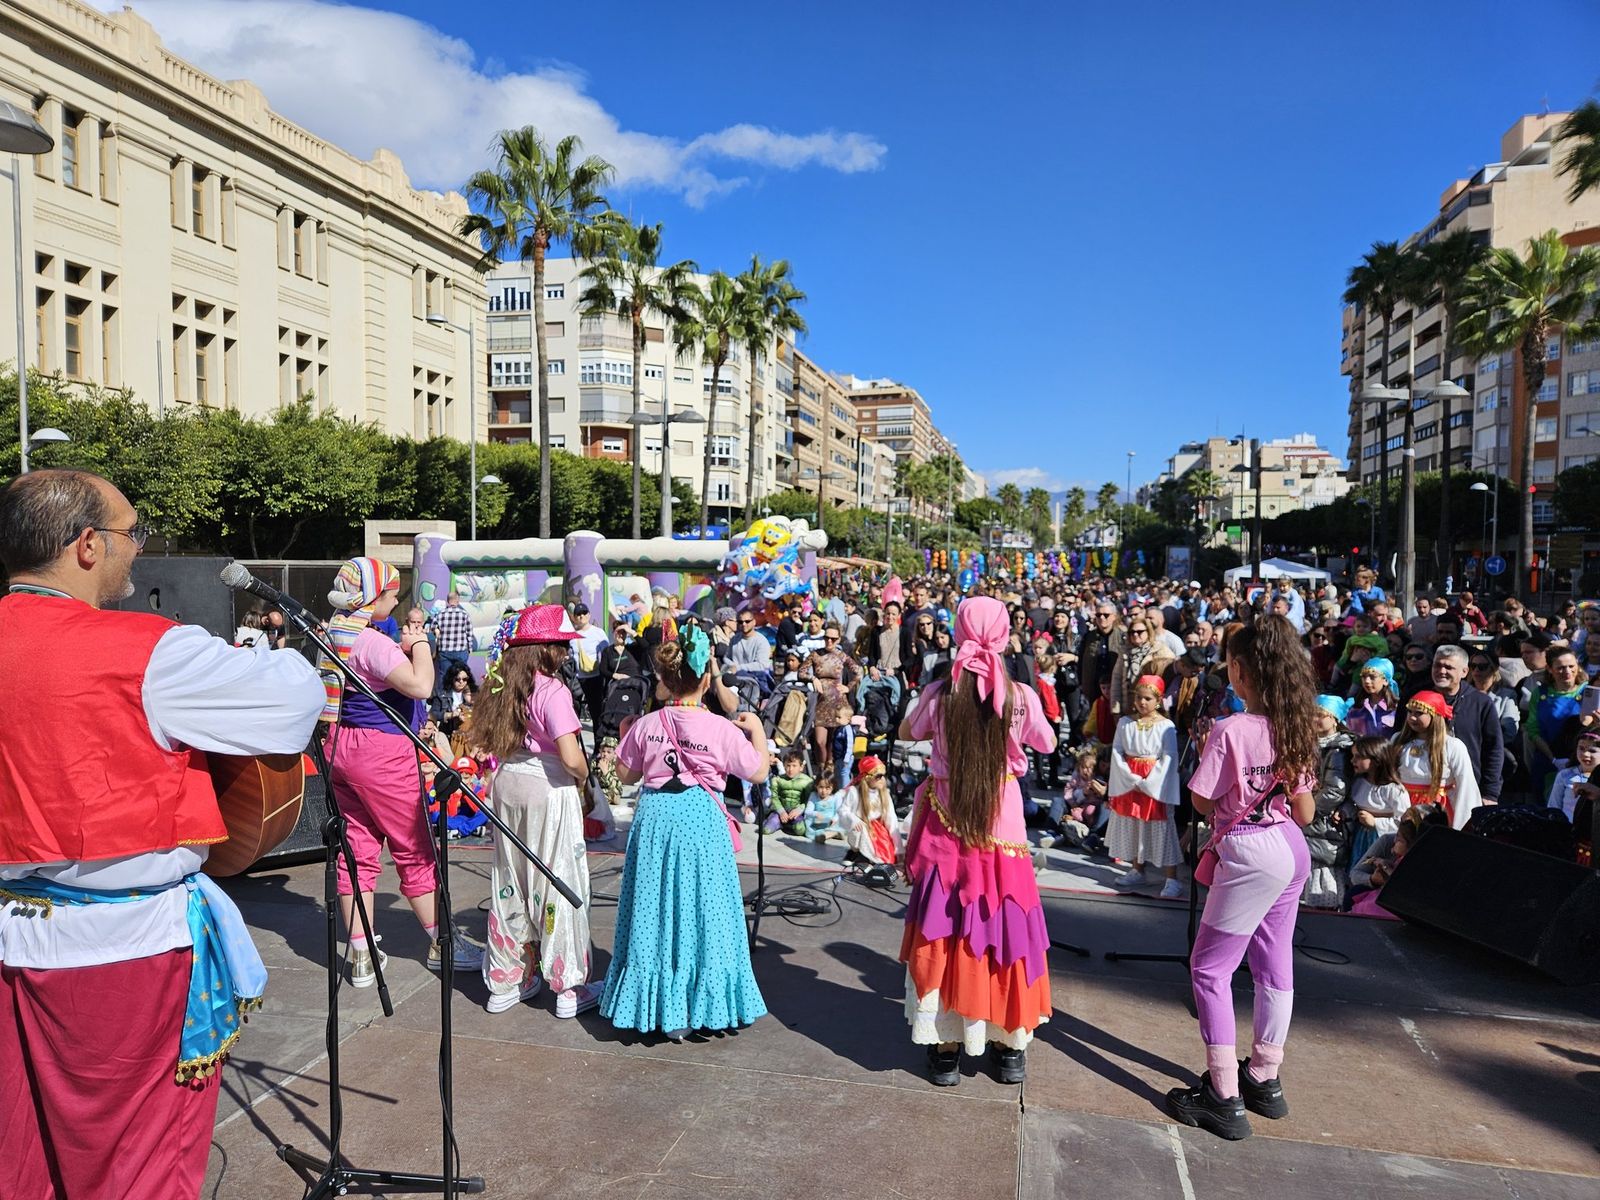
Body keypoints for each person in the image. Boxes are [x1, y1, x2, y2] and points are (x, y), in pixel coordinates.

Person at [0, 469, 326, 1199]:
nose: (135, 550)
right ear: (87, 546)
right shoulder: (149, 650)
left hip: (8, 936)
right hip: (121, 956)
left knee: (23, 1159)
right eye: (129, 533)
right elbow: (291, 702)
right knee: (137, 1166)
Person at [1166, 615, 1317, 1141]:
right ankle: (1265, 1076)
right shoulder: (1293, 723)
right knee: (1274, 965)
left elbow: (1203, 799)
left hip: (1253, 853)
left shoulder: (1232, 729)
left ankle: (1224, 1094)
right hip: (1292, 851)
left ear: (1238, 671)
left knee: (1210, 970)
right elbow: (1306, 811)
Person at [899, 595, 1056, 1086]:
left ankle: (945, 1048)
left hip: (948, 828)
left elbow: (907, 730)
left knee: (945, 928)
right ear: (1005, 634)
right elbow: (1047, 742)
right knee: (1004, 932)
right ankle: (1009, 1046)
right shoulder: (1019, 695)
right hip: (1002, 831)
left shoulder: (943, 692)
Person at [602, 623, 770, 1039]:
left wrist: (628, 739)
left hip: (657, 818)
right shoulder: (721, 728)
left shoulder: (647, 724)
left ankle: (663, 1008)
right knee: (705, 910)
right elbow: (758, 770)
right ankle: (701, 1006)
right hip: (701, 821)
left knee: (654, 908)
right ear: (707, 679)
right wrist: (760, 732)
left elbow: (624, 775)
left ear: (663, 679)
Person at [320, 558, 483, 985]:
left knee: (356, 850)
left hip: (342, 746)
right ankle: (442, 944)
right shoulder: (370, 641)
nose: (394, 605)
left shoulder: (331, 630)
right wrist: (421, 646)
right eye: (390, 596)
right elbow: (421, 686)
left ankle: (360, 953)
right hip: (381, 753)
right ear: (371, 598)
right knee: (413, 846)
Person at [470, 605, 599, 1017]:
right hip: (549, 786)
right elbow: (571, 757)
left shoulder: (500, 684)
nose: (564, 653)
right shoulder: (553, 691)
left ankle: (507, 981)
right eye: (560, 645)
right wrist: (584, 778)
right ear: (544, 648)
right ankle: (567, 986)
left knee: (510, 880)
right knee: (557, 881)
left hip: (508, 782)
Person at [1106, 676, 1183, 898]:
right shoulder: (1125, 723)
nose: (1142, 702)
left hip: (1155, 784)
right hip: (1130, 782)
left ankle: (1172, 879)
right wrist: (1130, 779)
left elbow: (1169, 756)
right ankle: (1137, 869)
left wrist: (1149, 782)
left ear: (1158, 700)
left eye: (1147, 698)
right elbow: (1117, 751)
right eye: (1138, 697)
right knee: (1134, 825)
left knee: (1162, 828)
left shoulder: (1166, 726)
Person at [1395, 691, 1483, 829]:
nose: (1412, 718)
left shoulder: (1452, 746)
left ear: (1434, 715)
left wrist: (1461, 828)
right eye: (1410, 712)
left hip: (1437, 812)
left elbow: (1466, 788)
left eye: (1419, 713)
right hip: (1402, 807)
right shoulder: (1397, 741)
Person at [1430, 644, 1503, 804]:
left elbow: (1493, 749)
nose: (1441, 671)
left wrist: (1490, 793)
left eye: (1448, 667)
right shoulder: (1417, 697)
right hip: (1424, 788)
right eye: (1437, 665)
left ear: (1464, 672)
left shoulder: (1481, 703)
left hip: (1468, 789)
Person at [1302, 696, 1353, 910]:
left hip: (1321, 819)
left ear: (1335, 719)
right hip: (1307, 811)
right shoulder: (1310, 745)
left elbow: (1334, 791)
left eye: (1320, 715)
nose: (1315, 719)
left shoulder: (1338, 751)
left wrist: (1308, 810)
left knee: (1321, 861)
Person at [1348, 735, 1407, 871]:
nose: (1353, 760)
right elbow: (1351, 803)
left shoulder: (1395, 790)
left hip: (1380, 839)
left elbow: (1402, 821)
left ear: (1376, 760)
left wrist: (1375, 822)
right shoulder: (1357, 782)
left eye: (1359, 757)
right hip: (1359, 836)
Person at [839, 754, 902, 865]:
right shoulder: (854, 792)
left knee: (886, 856)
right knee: (859, 828)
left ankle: (866, 856)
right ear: (867, 777)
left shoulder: (885, 794)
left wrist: (899, 848)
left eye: (883, 776)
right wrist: (853, 819)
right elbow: (843, 811)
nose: (882, 779)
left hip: (877, 830)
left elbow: (891, 819)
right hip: (860, 826)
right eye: (878, 776)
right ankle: (854, 851)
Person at [568, 602, 610, 741]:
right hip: (577, 678)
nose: (581, 617)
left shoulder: (598, 632)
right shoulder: (571, 635)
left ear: (589, 615)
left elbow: (606, 653)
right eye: (578, 614)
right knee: (574, 714)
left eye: (584, 613)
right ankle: (576, 745)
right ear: (574, 617)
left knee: (596, 712)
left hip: (595, 677)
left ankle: (598, 746)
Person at [1548, 731, 1600, 821]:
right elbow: (1553, 808)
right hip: (1567, 830)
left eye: (1592, 751)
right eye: (1581, 748)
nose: (1585, 754)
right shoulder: (1564, 775)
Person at [429, 589, 475, 685]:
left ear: (448, 601)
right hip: (461, 650)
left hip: (445, 650)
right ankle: (459, 697)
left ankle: (443, 697)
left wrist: (438, 630)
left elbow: (432, 627)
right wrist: (470, 648)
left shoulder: (440, 614)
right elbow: (469, 633)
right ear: (458, 601)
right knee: (461, 675)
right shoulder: (464, 614)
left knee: (444, 675)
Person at [1346, 657, 1398, 738]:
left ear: (1385, 680)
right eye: (1363, 676)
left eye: (1372, 677)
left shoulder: (1396, 708)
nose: (1367, 681)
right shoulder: (1355, 709)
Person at [768, 747, 814, 834]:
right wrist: (781, 812)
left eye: (794, 766)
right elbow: (774, 798)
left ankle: (790, 824)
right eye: (788, 765)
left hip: (796, 813)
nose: (790, 769)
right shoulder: (777, 780)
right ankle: (779, 823)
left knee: (800, 830)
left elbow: (809, 800)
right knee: (766, 830)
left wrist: (799, 809)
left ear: (801, 767)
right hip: (780, 811)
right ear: (784, 765)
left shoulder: (807, 782)